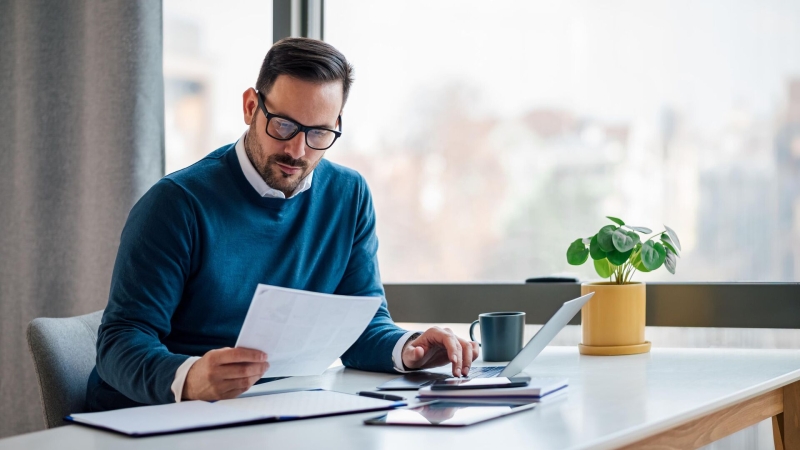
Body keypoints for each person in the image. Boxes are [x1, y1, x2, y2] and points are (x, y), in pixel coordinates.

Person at [86, 37, 479, 411]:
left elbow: (362, 325)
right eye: (284, 126)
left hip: (272, 410)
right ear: (250, 107)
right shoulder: (176, 204)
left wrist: (410, 348)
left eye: (319, 133)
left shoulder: (349, 195)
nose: (297, 150)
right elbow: (120, 344)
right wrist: (190, 377)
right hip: (154, 418)